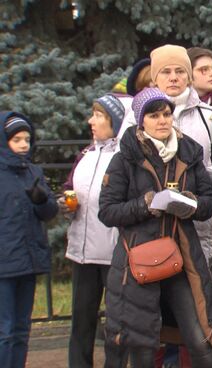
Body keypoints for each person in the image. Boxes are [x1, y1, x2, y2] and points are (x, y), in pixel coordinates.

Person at [99, 88, 212, 367]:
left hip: (182, 257)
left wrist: (192, 204)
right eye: (154, 115)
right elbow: (107, 211)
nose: (163, 120)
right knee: (141, 344)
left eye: (166, 114)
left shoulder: (189, 152)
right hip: (138, 260)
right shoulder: (125, 157)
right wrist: (145, 204)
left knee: (201, 337)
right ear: (142, 121)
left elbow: (209, 203)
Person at [60, 95, 128, 367]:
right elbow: (70, 187)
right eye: (92, 114)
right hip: (82, 253)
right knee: (81, 321)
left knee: (117, 325)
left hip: (113, 255)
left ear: (114, 121)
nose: (91, 121)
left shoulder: (124, 158)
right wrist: (64, 203)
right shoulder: (86, 155)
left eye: (98, 115)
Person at [150, 44, 212, 264]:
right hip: (154, 223)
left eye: (180, 71)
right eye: (166, 72)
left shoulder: (211, 117)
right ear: (155, 77)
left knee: (201, 294)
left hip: (200, 225)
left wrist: (201, 176)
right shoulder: (136, 118)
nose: (173, 78)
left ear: (188, 76)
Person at [0, 112, 58, 368]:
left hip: (29, 259)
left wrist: (42, 200)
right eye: (16, 140)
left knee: (23, 328)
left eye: (26, 139)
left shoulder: (33, 170)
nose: (24, 144)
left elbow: (49, 213)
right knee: (6, 330)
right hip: (4, 263)